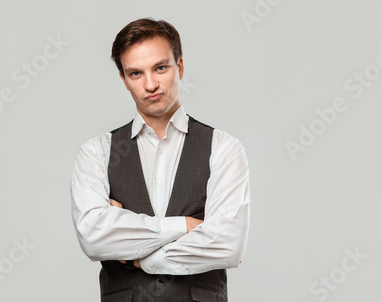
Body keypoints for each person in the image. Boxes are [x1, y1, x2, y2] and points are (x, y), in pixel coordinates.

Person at [70, 18, 250, 301]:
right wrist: (186, 226)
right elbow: (94, 238)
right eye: (136, 73)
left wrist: (137, 257)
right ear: (124, 80)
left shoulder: (223, 148)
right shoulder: (97, 152)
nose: (150, 84)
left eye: (160, 68)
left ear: (179, 67)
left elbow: (228, 244)